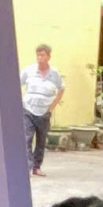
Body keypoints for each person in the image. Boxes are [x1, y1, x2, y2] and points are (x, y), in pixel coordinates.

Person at [20, 42, 67, 176]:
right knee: (26, 138)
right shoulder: (29, 70)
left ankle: (36, 167)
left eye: (42, 55)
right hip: (28, 109)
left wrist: (52, 106)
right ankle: (27, 166)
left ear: (48, 57)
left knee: (41, 140)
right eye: (38, 55)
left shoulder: (54, 74)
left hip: (44, 112)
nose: (40, 58)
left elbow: (61, 89)